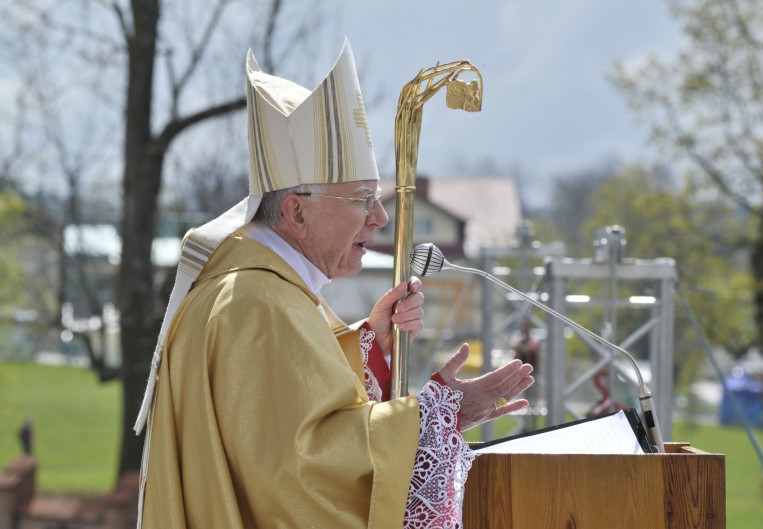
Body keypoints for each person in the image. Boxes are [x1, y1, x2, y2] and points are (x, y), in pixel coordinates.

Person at [134, 38, 534, 529]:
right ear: (296, 211)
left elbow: (285, 415)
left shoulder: (263, 290)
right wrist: (434, 419)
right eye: (363, 199)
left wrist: (368, 346)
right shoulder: (257, 304)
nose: (381, 218)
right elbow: (301, 478)